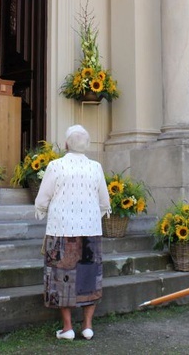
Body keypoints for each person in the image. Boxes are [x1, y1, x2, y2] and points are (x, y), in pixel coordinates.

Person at [34, 125, 111, 341]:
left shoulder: (55, 166)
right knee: (90, 275)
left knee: (61, 277)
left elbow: (43, 197)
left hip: (61, 230)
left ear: (66, 144)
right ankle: (87, 326)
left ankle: (67, 328)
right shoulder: (95, 167)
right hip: (90, 230)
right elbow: (105, 201)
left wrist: (40, 210)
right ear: (86, 145)